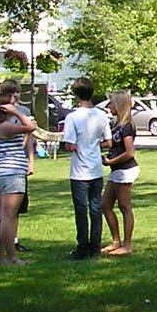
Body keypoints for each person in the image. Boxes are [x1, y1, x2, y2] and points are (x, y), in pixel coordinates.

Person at [60, 76, 113, 260]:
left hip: (79, 171)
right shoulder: (101, 115)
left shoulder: (72, 117)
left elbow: (70, 145)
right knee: (96, 208)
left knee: (81, 210)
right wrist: (94, 144)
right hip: (96, 168)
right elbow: (108, 141)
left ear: (76, 95)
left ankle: (83, 247)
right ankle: (95, 246)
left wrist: (78, 145)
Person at [0, 79, 36, 267]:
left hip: (2, 174)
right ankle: (13, 258)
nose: (16, 103)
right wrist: (17, 113)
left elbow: (24, 138)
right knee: (8, 218)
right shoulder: (5, 126)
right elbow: (31, 128)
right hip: (12, 175)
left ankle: (0, 258)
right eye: (12, 103)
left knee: (0, 218)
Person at [103, 90, 140, 256]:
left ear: (119, 104)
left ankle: (127, 244)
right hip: (116, 170)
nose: (109, 106)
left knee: (124, 206)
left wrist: (111, 161)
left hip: (125, 170)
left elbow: (129, 152)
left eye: (111, 103)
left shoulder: (127, 126)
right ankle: (116, 241)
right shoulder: (117, 124)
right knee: (105, 205)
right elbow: (112, 144)